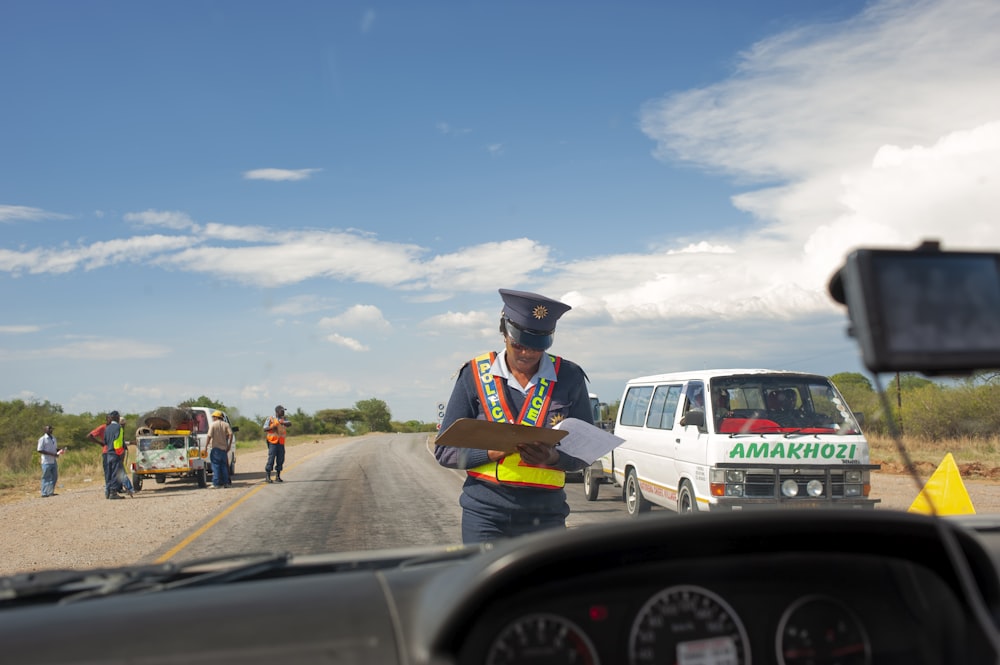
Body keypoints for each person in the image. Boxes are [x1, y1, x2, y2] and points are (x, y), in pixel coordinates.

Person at [434, 288, 593, 543]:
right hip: (485, 516)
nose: (527, 354)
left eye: (537, 347)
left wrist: (554, 457)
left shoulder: (570, 377)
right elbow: (444, 451)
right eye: (518, 344)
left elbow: (586, 451)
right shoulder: (474, 375)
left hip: (547, 517)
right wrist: (489, 453)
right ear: (504, 332)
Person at [103, 411, 128, 500]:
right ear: (117, 418)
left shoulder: (107, 428)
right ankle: (113, 492)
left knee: (109, 473)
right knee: (115, 473)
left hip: (108, 453)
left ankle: (108, 491)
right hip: (115, 453)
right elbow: (117, 441)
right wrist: (120, 452)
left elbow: (105, 441)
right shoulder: (119, 427)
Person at [205, 410, 233, 488]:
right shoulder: (226, 425)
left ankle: (216, 483)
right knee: (224, 466)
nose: (213, 418)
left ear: (217, 417)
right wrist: (229, 445)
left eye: (213, 417)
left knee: (216, 466)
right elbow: (231, 434)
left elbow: (209, 436)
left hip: (215, 449)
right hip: (224, 449)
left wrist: (205, 446)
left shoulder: (213, 425)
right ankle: (226, 483)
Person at [263, 405, 291, 483]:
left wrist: (283, 422)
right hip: (272, 442)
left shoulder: (284, 419)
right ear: (277, 411)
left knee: (280, 459)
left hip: (281, 442)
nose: (283, 412)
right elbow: (265, 428)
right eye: (282, 410)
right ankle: (268, 476)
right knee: (271, 459)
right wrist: (273, 426)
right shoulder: (270, 419)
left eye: (284, 410)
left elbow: (289, 423)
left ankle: (278, 476)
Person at [37, 424, 63, 498]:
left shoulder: (53, 438)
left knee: (54, 476)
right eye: (49, 429)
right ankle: (44, 493)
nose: (51, 430)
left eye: (51, 429)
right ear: (45, 430)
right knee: (46, 477)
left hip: (53, 460)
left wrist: (59, 450)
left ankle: (50, 492)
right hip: (46, 461)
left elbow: (54, 448)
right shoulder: (42, 439)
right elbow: (40, 450)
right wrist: (52, 454)